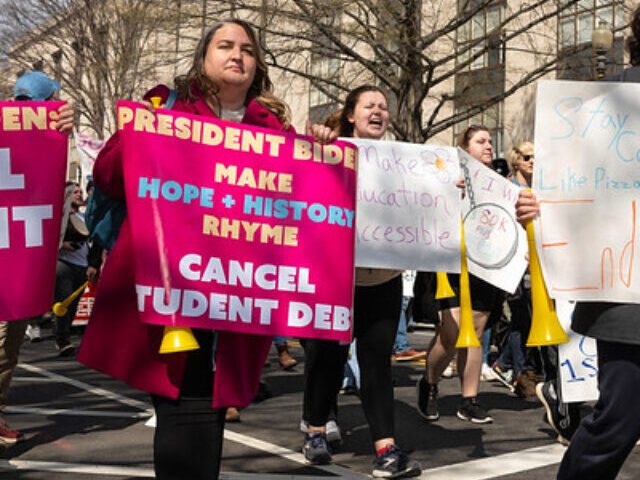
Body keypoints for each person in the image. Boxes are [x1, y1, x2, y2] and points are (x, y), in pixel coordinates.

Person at [77, 19, 333, 480]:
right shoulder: (165, 106)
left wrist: (321, 154)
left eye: (248, 49)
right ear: (203, 57)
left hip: (239, 294)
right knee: (182, 403)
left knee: (211, 409)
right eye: (225, 45)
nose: (238, 55)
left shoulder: (275, 128)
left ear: (257, 66)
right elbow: (111, 178)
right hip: (175, 288)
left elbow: (307, 206)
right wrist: (138, 132)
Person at [516, 8, 640, 477]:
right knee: (620, 418)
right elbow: (572, 186)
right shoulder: (607, 99)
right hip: (629, 296)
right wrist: (540, 209)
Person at [301, 85, 421, 479]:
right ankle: (316, 431)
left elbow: (426, 201)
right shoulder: (331, 150)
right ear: (351, 115)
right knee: (327, 359)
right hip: (335, 278)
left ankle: (386, 450)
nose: (379, 111)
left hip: (383, 281)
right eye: (370, 105)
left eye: (384, 107)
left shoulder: (406, 160)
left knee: (376, 365)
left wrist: (445, 190)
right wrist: (314, 141)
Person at [0, 71, 74, 444]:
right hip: (10, 263)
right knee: (4, 346)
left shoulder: (44, 134)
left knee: (8, 346)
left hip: (17, 255)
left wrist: (62, 127)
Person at [416, 125, 503, 424]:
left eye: (490, 140)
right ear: (465, 149)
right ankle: (429, 383)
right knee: (451, 333)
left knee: (476, 333)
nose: (489, 145)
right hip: (450, 263)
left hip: (484, 266)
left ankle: (470, 400)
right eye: (481, 141)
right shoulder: (448, 178)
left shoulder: (498, 183)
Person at [491, 142, 537, 397]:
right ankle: (520, 374)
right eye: (528, 156)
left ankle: (504, 364)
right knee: (521, 320)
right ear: (516, 160)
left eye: (535, 157)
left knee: (527, 321)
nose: (532, 161)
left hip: (537, 265)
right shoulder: (508, 190)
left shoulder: (540, 188)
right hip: (516, 265)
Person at [53, 182, 89, 356]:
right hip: (64, 265)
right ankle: (62, 340)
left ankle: (64, 333)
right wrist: (63, 244)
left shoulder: (84, 217)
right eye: (75, 192)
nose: (79, 194)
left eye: (80, 191)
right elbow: (51, 238)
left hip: (82, 265)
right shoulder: (60, 216)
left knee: (73, 305)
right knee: (63, 302)